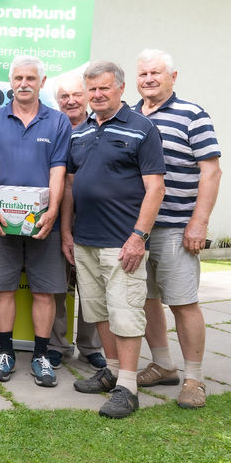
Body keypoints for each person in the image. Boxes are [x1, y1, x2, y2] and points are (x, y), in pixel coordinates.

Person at [62, 60, 166, 419]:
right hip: (85, 240)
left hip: (123, 242)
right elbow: (71, 187)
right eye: (91, 89)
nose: (97, 94)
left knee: (125, 313)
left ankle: (128, 388)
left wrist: (138, 237)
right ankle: (111, 371)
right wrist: (66, 233)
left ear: (121, 88)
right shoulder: (80, 132)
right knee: (98, 310)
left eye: (104, 88)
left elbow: (156, 188)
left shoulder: (142, 128)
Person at [132, 49, 221, 409]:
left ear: (173, 76)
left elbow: (211, 171)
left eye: (156, 72)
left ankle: (194, 378)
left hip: (175, 227)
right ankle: (162, 365)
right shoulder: (130, 116)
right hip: (136, 230)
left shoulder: (192, 115)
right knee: (147, 299)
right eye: (143, 74)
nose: (149, 79)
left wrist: (199, 221)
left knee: (183, 303)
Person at [0, 56, 71, 387]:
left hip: (43, 222)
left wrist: (53, 210)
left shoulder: (58, 122)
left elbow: (58, 171)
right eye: (18, 78)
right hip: (1, 221)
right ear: (11, 81)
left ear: (42, 82)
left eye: (31, 78)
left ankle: (41, 356)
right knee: (3, 289)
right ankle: (5, 353)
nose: (24, 83)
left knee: (45, 292)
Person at [48, 74, 104, 369]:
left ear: (87, 97)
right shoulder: (51, 127)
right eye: (64, 96)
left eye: (76, 95)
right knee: (56, 283)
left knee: (91, 284)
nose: (70, 101)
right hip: (53, 217)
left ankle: (90, 346)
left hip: (92, 217)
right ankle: (57, 344)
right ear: (57, 101)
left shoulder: (100, 126)